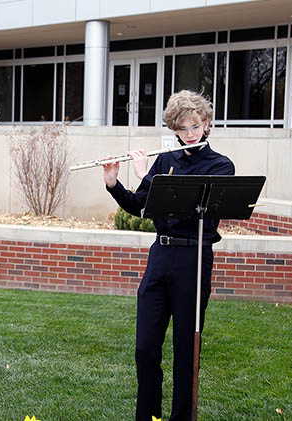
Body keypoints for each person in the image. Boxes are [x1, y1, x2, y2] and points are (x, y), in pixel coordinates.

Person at [102, 90, 235, 421]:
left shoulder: (221, 166)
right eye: (182, 128)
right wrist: (114, 184)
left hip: (194, 260)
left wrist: (153, 183)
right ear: (174, 129)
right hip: (160, 257)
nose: (189, 134)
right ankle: (147, 416)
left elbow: (190, 210)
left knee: (186, 353)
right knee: (145, 348)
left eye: (194, 127)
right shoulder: (165, 161)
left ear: (206, 124)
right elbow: (140, 206)